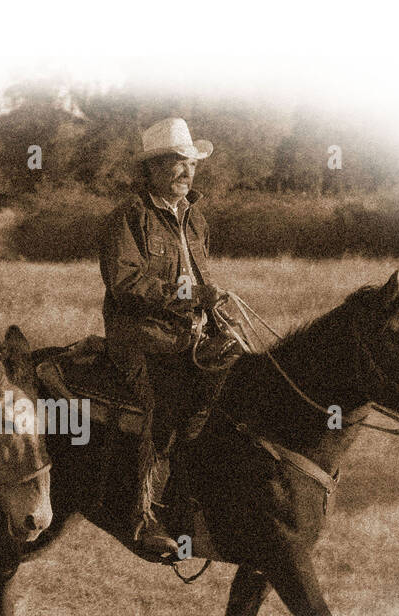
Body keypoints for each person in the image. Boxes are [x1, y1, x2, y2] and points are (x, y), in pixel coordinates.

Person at [98, 118, 242, 558]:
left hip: (190, 332)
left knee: (240, 382)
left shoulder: (195, 217)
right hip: (142, 336)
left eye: (191, 163)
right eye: (177, 163)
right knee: (170, 399)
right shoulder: (129, 216)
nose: (187, 171)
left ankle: (209, 497)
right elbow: (125, 283)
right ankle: (146, 515)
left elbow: (201, 274)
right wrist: (189, 296)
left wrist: (213, 306)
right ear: (153, 168)